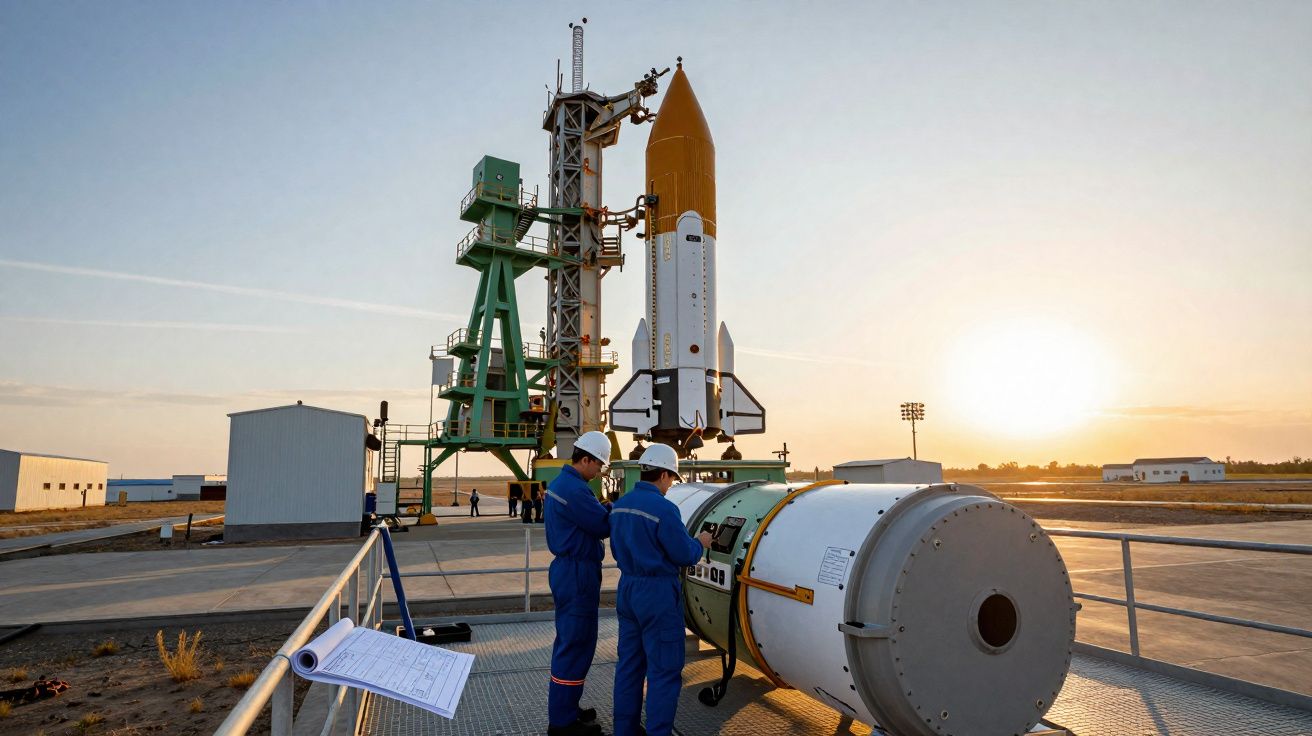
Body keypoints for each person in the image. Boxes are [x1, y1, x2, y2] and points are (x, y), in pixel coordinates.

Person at [609, 443, 711, 736]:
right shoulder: (665, 509)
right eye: (672, 480)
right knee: (664, 671)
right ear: (665, 475)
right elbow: (683, 554)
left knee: (629, 666)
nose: (670, 486)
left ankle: (624, 730)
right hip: (657, 593)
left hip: (628, 588)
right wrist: (700, 543)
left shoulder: (621, 505)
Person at [544, 431, 614, 736]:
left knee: (572, 643)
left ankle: (568, 708)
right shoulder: (575, 490)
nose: (599, 471)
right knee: (576, 645)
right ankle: (562, 724)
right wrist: (616, 508)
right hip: (577, 573)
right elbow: (602, 525)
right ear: (585, 459)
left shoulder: (564, 484)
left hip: (570, 571)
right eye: (598, 465)